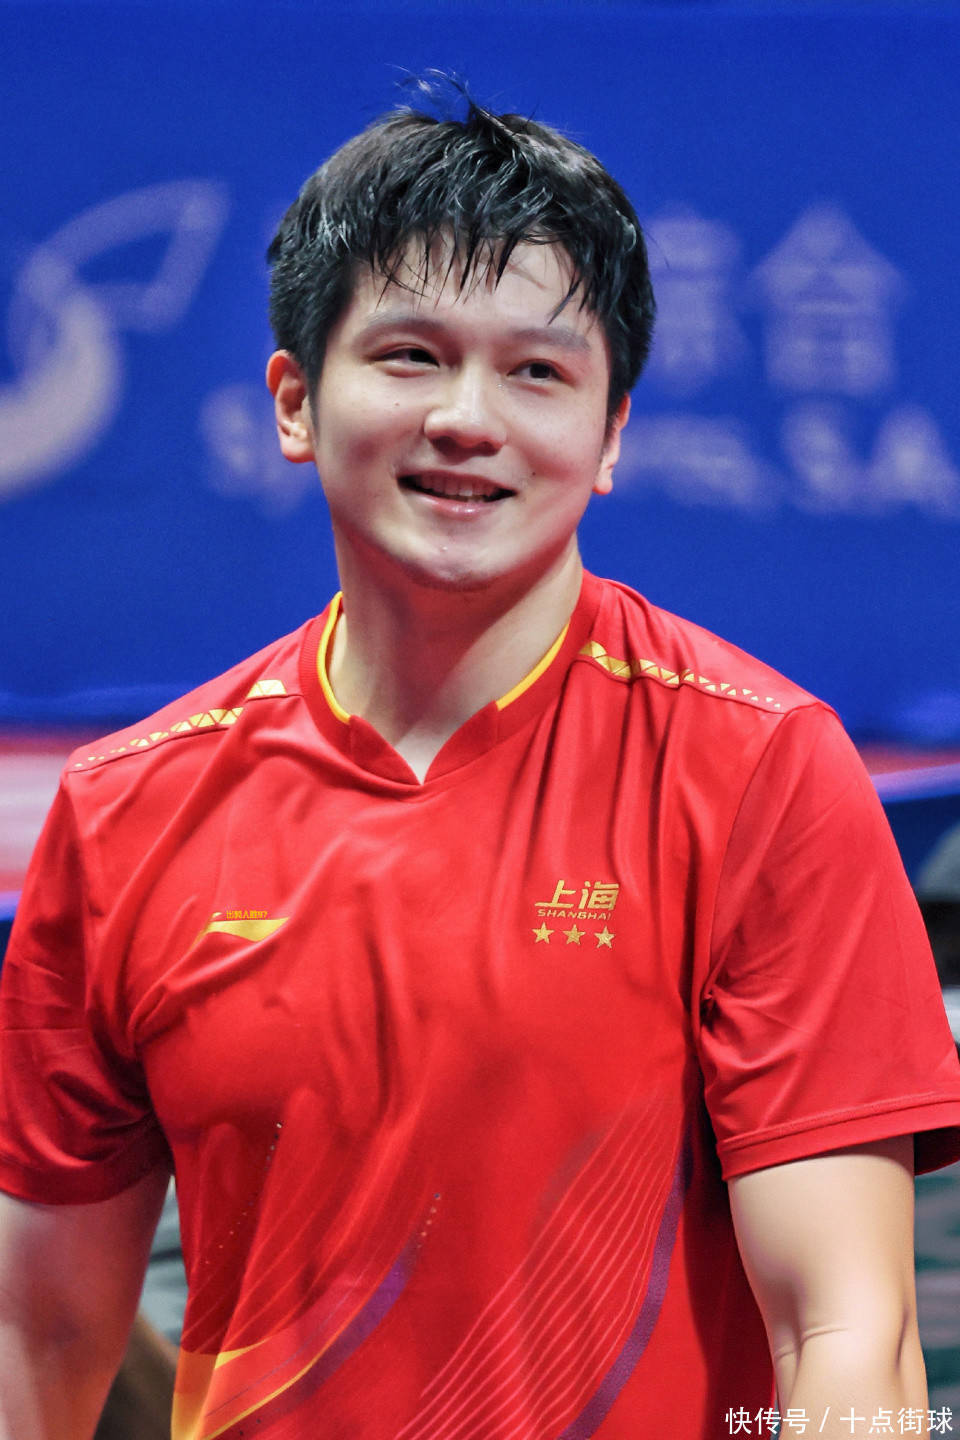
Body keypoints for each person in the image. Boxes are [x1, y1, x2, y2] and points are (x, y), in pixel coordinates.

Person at [2, 84, 960, 1440]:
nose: (468, 418)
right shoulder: (129, 812)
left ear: (610, 435)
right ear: (294, 401)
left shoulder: (758, 772)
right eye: (410, 356)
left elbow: (848, 1333)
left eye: (537, 372)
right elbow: (36, 1334)